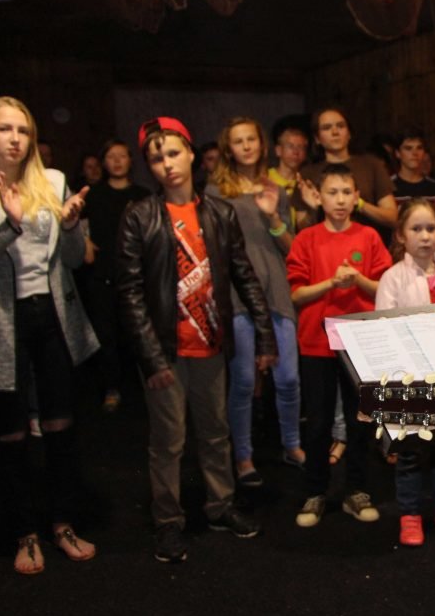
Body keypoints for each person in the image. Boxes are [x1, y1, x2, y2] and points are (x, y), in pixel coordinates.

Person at [117, 116, 276, 564]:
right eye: (156, 158)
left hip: (210, 345)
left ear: (190, 153)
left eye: (173, 153)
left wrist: (265, 336)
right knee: (169, 440)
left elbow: (244, 276)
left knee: (215, 433)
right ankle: (168, 520)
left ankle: (220, 505)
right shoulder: (139, 216)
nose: (167, 164)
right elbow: (129, 293)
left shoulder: (220, 213)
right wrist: (151, 358)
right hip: (166, 350)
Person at [0, 96, 99, 574]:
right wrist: (10, 225)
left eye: (23, 130)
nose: (15, 139)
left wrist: (72, 226)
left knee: (62, 429)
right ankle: (24, 533)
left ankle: (62, 523)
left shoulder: (54, 181)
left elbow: (74, 258)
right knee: (12, 436)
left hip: (53, 317)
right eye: (4, 129)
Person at [287, 163, 392, 528]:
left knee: (359, 419)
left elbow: (384, 289)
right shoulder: (306, 238)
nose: (340, 200)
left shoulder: (369, 236)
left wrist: (357, 279)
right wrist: (331, 283)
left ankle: (356, 491)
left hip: (359, 342)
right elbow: (297, 294)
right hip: (316, 341)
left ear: (357, 196)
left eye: (347, 192)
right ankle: (315, 491)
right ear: (318, 197)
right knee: (317, 422)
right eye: (332, 192)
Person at [207, 117, 303, 487]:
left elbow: (291, 248)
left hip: (276, 289)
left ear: (261, 145)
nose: (246, 146)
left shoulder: (274, 187)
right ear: (228, 148)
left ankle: (291, 445)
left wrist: (273, 214)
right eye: (238, 141)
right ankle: (244, 456)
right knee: (245, 380)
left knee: (289, 378)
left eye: (252, 139)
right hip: (238, 292)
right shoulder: (216, 190)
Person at [375, 198, 435, 546]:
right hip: (409, 378)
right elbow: (383, 327)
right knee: (410, 450)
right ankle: (410, 514)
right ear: (401, 236)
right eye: (416, 229)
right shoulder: (392, 278)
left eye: (431, 228)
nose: (425, 236)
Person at [79, 138, 150, 412]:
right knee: (106, 335)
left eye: (122, 156)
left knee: (138, 334)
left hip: (137, 276)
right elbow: (77, 224)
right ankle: (112, 388)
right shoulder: (93, 194)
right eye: (111, 156)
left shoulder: (144, 195)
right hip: (102, 275)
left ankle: (147, 386)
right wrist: (84, 241)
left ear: (131, 161)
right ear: (104, 162)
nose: (118, 161)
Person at [297, 106, 397, 239]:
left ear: (349, 133)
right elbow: (301, 229)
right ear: (317, 139)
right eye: (327, 128)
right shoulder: (307, 173)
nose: (335, 132)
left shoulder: (371, 165)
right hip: (324, 247)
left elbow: (392, 218)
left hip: (368, 246)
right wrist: (312, 209)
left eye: (340, 126)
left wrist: (359, 204)